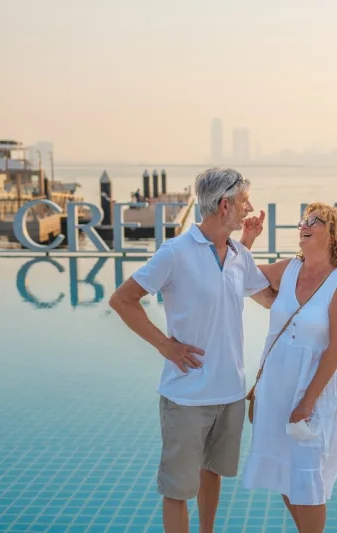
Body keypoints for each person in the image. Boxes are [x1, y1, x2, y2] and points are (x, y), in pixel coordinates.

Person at [108, 168, 276, 533]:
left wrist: (317, 277)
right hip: (186, 395)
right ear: (224, 204)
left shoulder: (237, 254)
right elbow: (122, 300)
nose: (250, 207)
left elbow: (267, 299)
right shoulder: (176, 252)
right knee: (178, 489)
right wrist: (165, 345)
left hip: (230, 392)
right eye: (245, 200)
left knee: (212, 474)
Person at [238, 202, 337, 533]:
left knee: (308, 479)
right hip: (276, 386)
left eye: (314, 221)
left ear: (333, 234)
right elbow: (239, 274)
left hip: (313, 392)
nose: (303, 225)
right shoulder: (289, 268)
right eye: (303, 220)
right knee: (286, 475)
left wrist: (307, 403)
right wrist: (247, 239)